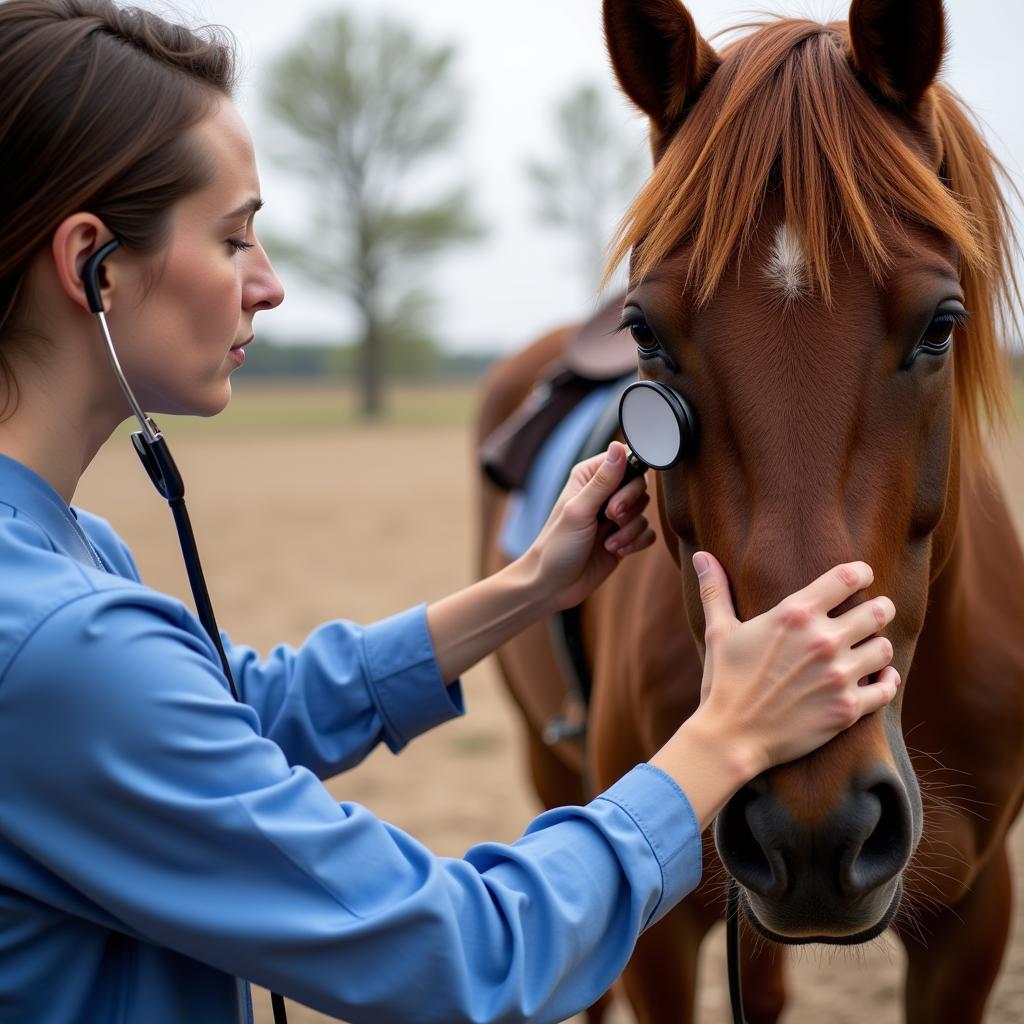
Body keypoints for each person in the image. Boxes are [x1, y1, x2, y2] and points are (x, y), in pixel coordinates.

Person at [0, 2, 902, 1022]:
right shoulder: (60, 641)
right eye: (234, 236)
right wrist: (722, 742)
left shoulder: (71, 556)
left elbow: (235, 717)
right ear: (93, 264)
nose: (271, 286)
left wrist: (528, 586)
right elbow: (467, 954)